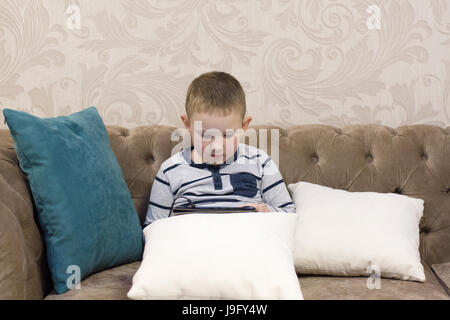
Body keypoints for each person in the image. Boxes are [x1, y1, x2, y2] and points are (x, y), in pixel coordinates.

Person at [143, 71, 295, 228]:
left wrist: (266, 211)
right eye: (205, 135)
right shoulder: (170, 171)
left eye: (228, 135)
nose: (216, 146)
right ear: (188, 125)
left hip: (248, 242)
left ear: (244, 127)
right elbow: (153, 228)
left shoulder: (261, 162)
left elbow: (289, 214)